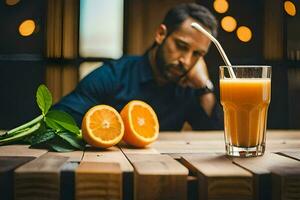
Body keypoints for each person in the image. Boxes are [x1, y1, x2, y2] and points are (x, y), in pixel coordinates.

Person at [53, 3, 223, 131]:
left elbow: (215, 139)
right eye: (181, 46)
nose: (186, 60)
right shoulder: (112, 75)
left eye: (197, 54)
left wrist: (204, 87)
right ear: (161, 34)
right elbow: (54, 122)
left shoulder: (191, 85)